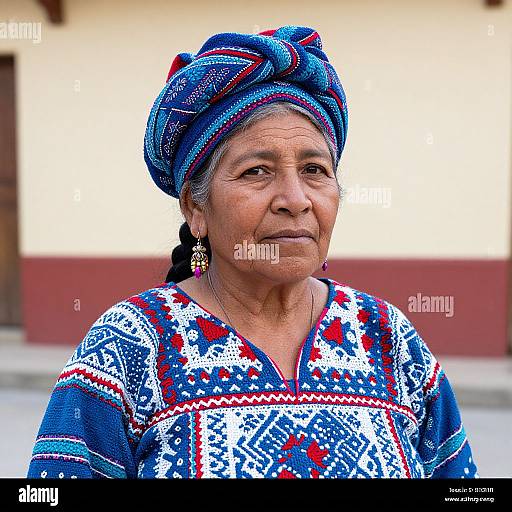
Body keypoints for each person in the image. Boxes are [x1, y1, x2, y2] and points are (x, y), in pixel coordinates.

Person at [27, 25, 478, 479]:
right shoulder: (127, 347)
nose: (295, 198)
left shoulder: (387, 337)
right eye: (257, 171)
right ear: (194, 208)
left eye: (315, 170)